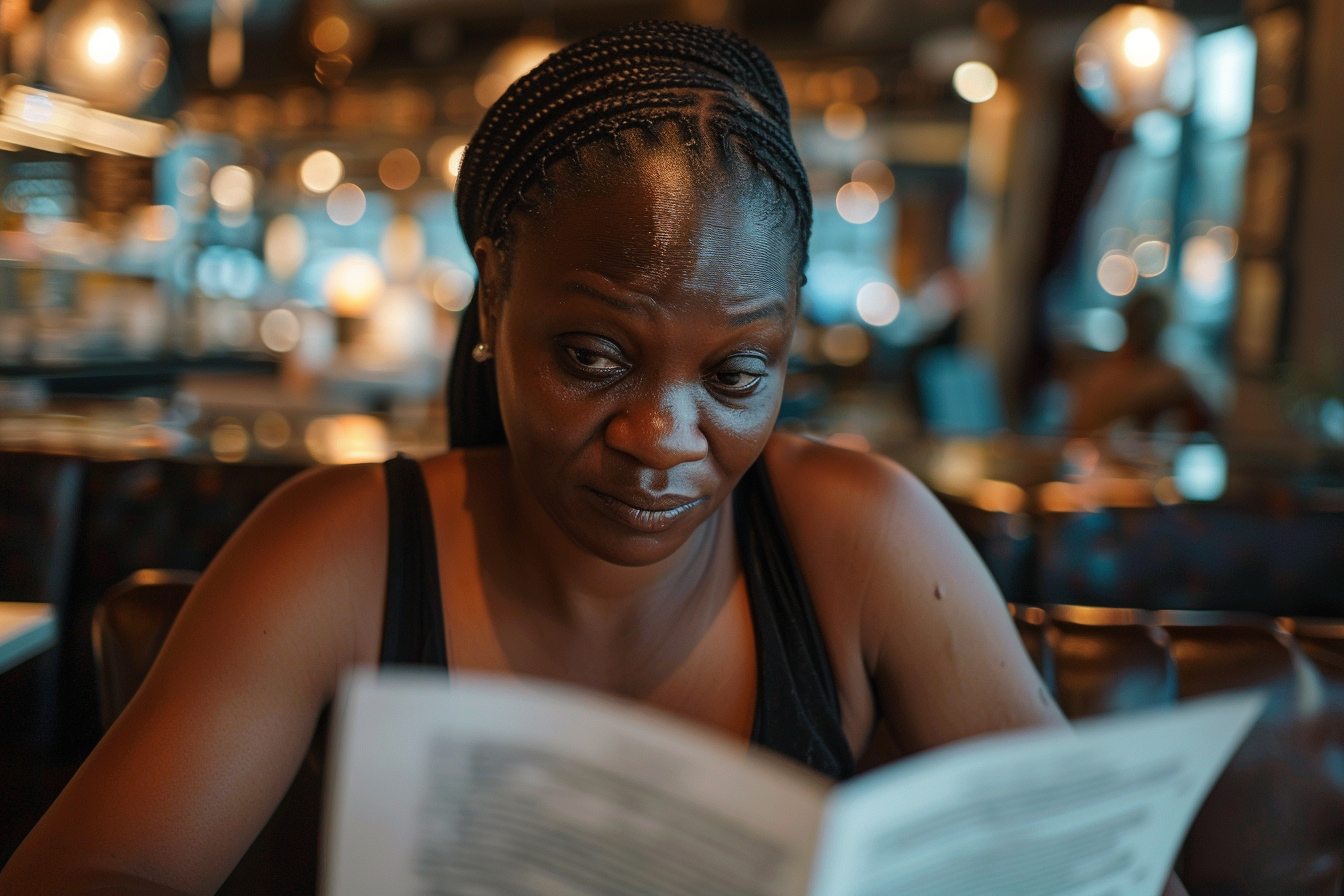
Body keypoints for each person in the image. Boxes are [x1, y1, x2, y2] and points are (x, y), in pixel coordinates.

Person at [3, 20, 1103, 895]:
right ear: (494, 299)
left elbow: (1105, 869)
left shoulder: (860, 538)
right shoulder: (341, 547)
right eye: (595, 355)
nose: (663, 434)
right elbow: (90, 868)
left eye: (734, 376)